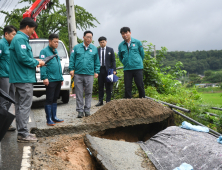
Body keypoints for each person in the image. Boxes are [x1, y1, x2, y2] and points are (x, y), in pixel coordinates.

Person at [9, 18, 45, 142]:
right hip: (23, 77)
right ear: (28, 27)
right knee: (24, 105)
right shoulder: (20, 39)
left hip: (20, 77)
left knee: (20, 105)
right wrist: (37, 62)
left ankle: (22, 132)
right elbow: (23, 58)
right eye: (33, 29)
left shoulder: (20, 39)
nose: (33, 32)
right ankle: (23, 133)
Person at [69, 30, 100, 118]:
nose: (89, 39)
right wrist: (71, 69)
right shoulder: (76, 48)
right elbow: (72, 59)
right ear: (83, 37)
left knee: (89, 92)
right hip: (78, 73)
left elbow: (97, 61)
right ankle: (79, 111)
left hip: (89, 74)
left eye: (90, 37)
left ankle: (87, 110)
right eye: (87, 37)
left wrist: (96, 71)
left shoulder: (94, 48)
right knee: (79, 93)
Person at [39, 34, 64, 126]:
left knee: (55, 98)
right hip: (50, 79)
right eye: (55, 42)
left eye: (57, 42)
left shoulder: (55, 51)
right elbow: (43, 65)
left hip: (57, 79)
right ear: (50, 41)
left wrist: (61, 78)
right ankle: (48, 119)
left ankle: (54, 117)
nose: (56, 43)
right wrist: (44, 77)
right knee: (49, 99)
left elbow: (58, 65)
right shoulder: (44, 51)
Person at [118, 27, 145, 98]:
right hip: (127, 69)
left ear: (130, 33)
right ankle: (128, 104)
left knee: (140, 85)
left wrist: (137, 61)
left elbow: (142, 54)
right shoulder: (121, 45)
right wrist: (125, 62)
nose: (125, 35)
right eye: (123, 34)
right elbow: (120, 57)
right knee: (127, 87)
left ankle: (142, 101)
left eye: (126, 33)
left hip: (137, 68)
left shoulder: (137, 42)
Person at [0, 25, 17, 131]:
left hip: (12, 76)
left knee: (11, 99)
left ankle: (4, 121)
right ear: (6, 34)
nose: (14, 37)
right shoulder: (1, 44)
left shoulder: (11, 45)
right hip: (3, 76)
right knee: (3, 100)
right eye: (13, 35)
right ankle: (2, 124)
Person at [95, 36, 116, 106]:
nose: (102, 43)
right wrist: (95, 70)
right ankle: (100, 101)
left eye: (103, 42)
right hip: (100, 69)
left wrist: (114, 70)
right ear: (99, 43)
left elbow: (113, 60)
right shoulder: (97, 50)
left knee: (108, 86)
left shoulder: (110, 50)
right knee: (100, 86)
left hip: (109, 70)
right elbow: (94, 60)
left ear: (106, 42)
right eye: (101, 42)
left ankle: (108, 101)